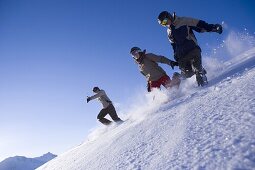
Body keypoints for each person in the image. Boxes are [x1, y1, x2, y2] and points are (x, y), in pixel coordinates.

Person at [157, 11, 223, 86]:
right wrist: (176, 55)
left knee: (199, 76)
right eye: (162, 24)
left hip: (193, 50)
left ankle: (200, 72)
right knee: (187, 74)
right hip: (182, 56)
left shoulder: (183, 21)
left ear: (169, 16)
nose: (165, 24)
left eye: (165, 21)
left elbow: (200, 25)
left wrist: (213, 28)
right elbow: (173, 45)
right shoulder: (169, 31)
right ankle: (179, 76)